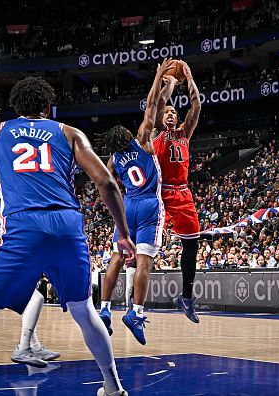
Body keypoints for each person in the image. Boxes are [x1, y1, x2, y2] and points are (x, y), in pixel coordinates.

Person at [0, 76, 134, 396]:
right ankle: (113, 387)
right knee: (84, 311)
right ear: (48, 106)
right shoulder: (70, 133)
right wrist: (123, 234)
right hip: (67, 226)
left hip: (22, 226)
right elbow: (107, 183)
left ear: (14, 107)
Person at [98, 59, 173, 345]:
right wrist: (157, 78)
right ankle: (136, 312)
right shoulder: (142, 139)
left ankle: (104, 309)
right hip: (150, 205)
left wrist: (168, 86)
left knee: (116, 258)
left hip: (127, 206)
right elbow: (152, 105)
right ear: (127, 136)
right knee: (144, 261)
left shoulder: (114, 159)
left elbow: (105, 182)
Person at [0, 207, 60, 367]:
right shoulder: (12, 208)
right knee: (35, 299)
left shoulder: (6, 208)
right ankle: (23, 348)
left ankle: (33, 346)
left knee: (29, 304)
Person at [153, 60, 202, 323]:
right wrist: (170, 82)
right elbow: (159, 104)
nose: (171, 113)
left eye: (174, 112)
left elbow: (196, 106)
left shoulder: (184, 133)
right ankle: (132, 301)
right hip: (159, 194)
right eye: (167, 112)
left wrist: (190, 77)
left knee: (191, 245)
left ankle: (186, 296)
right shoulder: (156, 132)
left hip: (182, 194)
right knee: (147, 246)